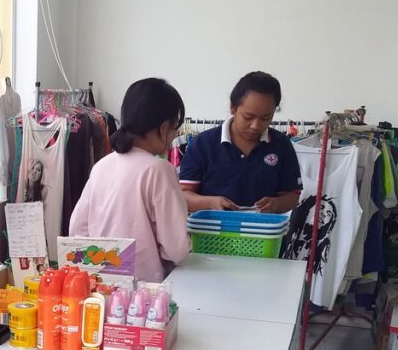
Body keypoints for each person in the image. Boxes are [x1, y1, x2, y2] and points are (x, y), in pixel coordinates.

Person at [68, 78, 191, 282]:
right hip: (145, 294)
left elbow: (77, 229)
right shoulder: (160, 170)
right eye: (175, 127)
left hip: (98, 287)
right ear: (163, 127)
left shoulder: (102, 166)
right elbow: (176, 248)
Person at [179, 71, 301, 213]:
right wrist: (211, 202)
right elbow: (183, 195)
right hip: (212, 232)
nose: (255, 126)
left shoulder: (281, 145)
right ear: (233, 108)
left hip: (262, 232)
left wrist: (275, 204)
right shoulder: (203, 144)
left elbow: (292, 195)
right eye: (248, 117)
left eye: (265, 118)